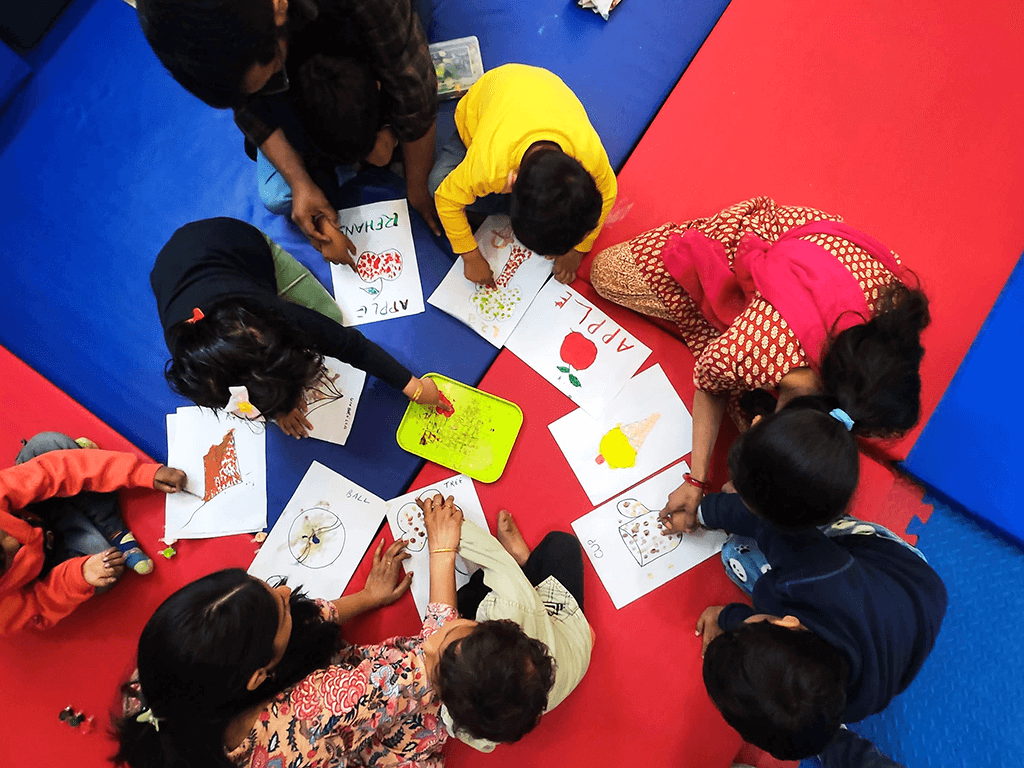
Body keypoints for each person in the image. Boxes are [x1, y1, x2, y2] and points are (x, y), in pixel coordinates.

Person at [588, 197, 929, 532]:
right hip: (754, 247)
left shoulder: (884, 330)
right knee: (604, 273)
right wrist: (697, 479)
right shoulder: (752, 351)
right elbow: (709, 384)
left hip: (822, 266)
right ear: (761, 420)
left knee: (781, 471)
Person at [113, 500, 461, 768]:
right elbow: (436, 660)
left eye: (265, 587)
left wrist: (368, 597)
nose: (285, 593)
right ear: (260, 675)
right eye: (280, 610)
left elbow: (304, 620)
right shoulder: (312, 711)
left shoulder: (162, 675)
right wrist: (442, 551)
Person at [135, 0, 441, 245]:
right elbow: (246, 107)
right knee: (278, 196)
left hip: (352, 61)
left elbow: (412, 89)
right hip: (312, 91)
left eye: (268, 75)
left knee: (412, 40)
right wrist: (300, 182)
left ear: (278, 8)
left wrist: (417, 185)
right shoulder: (205, 37)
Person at [693, 485, 947, 761]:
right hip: (902, 569)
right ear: (789, 624)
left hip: (910, 600)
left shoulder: (841, 701)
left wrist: (726, 617)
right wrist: (704, 511)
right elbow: (765, 518)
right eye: (746, 627)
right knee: (776, 514)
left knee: (735, 555)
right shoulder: (820, 574)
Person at [151, 217, 439, 439]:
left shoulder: (272, 314)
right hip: (169, 272)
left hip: (236, 242)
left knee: (328, 317)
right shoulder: (197, 373)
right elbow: (242, 398)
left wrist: (411, 385)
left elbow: (350, 345)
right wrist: (278, 411)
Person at [429, 63, 617, 286]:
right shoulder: (489, 166)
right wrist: (471, 257)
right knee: (436, 184)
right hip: (485, 105)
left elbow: (608, 193)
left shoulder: (591, 157)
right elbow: (446, 198)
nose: (548, 258)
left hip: (542, 91)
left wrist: (576, 251)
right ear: (510, 183)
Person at [437, 505, 591, 750]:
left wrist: (440, 539)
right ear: (504, 625)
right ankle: (523, 563)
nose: (427, 643)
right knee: (562, 545)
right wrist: (450, 525)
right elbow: (491, 555)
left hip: (561, 663)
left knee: (466, 596)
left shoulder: (465, 726)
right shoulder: (514, 607)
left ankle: (523, 570)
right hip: (570, 639)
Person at [0, 432, 187, 634]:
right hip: (55, 563)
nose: (13, 541)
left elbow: (58, 469)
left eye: (2, 534)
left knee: (47, 445)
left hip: (36, 505)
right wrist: (80, 575)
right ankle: (109, 523)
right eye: (4, 562)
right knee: (104, 563)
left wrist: (140, 473)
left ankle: (113, 527)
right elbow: (39, 607)